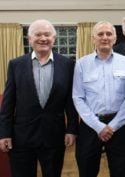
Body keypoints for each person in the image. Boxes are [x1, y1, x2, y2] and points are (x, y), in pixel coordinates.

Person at [0, 19, 78, 177]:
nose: (43, 38)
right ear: (30, 39)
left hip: (54, 137)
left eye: (47, 34)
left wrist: (71, 129)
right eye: (38, 34)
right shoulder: (16, 64)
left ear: (53, 39)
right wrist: (4, 133)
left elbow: (70, 101)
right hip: (21, 137)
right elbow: (8, 103)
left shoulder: (68, 65)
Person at [72, 21, 125, 177]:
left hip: (119, 126)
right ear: (93, 38)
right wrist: (98, 126)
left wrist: (112, 126)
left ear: (114, 38)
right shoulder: (81, 64)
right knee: (86, 169)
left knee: (122, 170)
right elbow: (78, 97)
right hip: (90, 125)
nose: (104, 37)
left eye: (108, 34)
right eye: (100, 34)